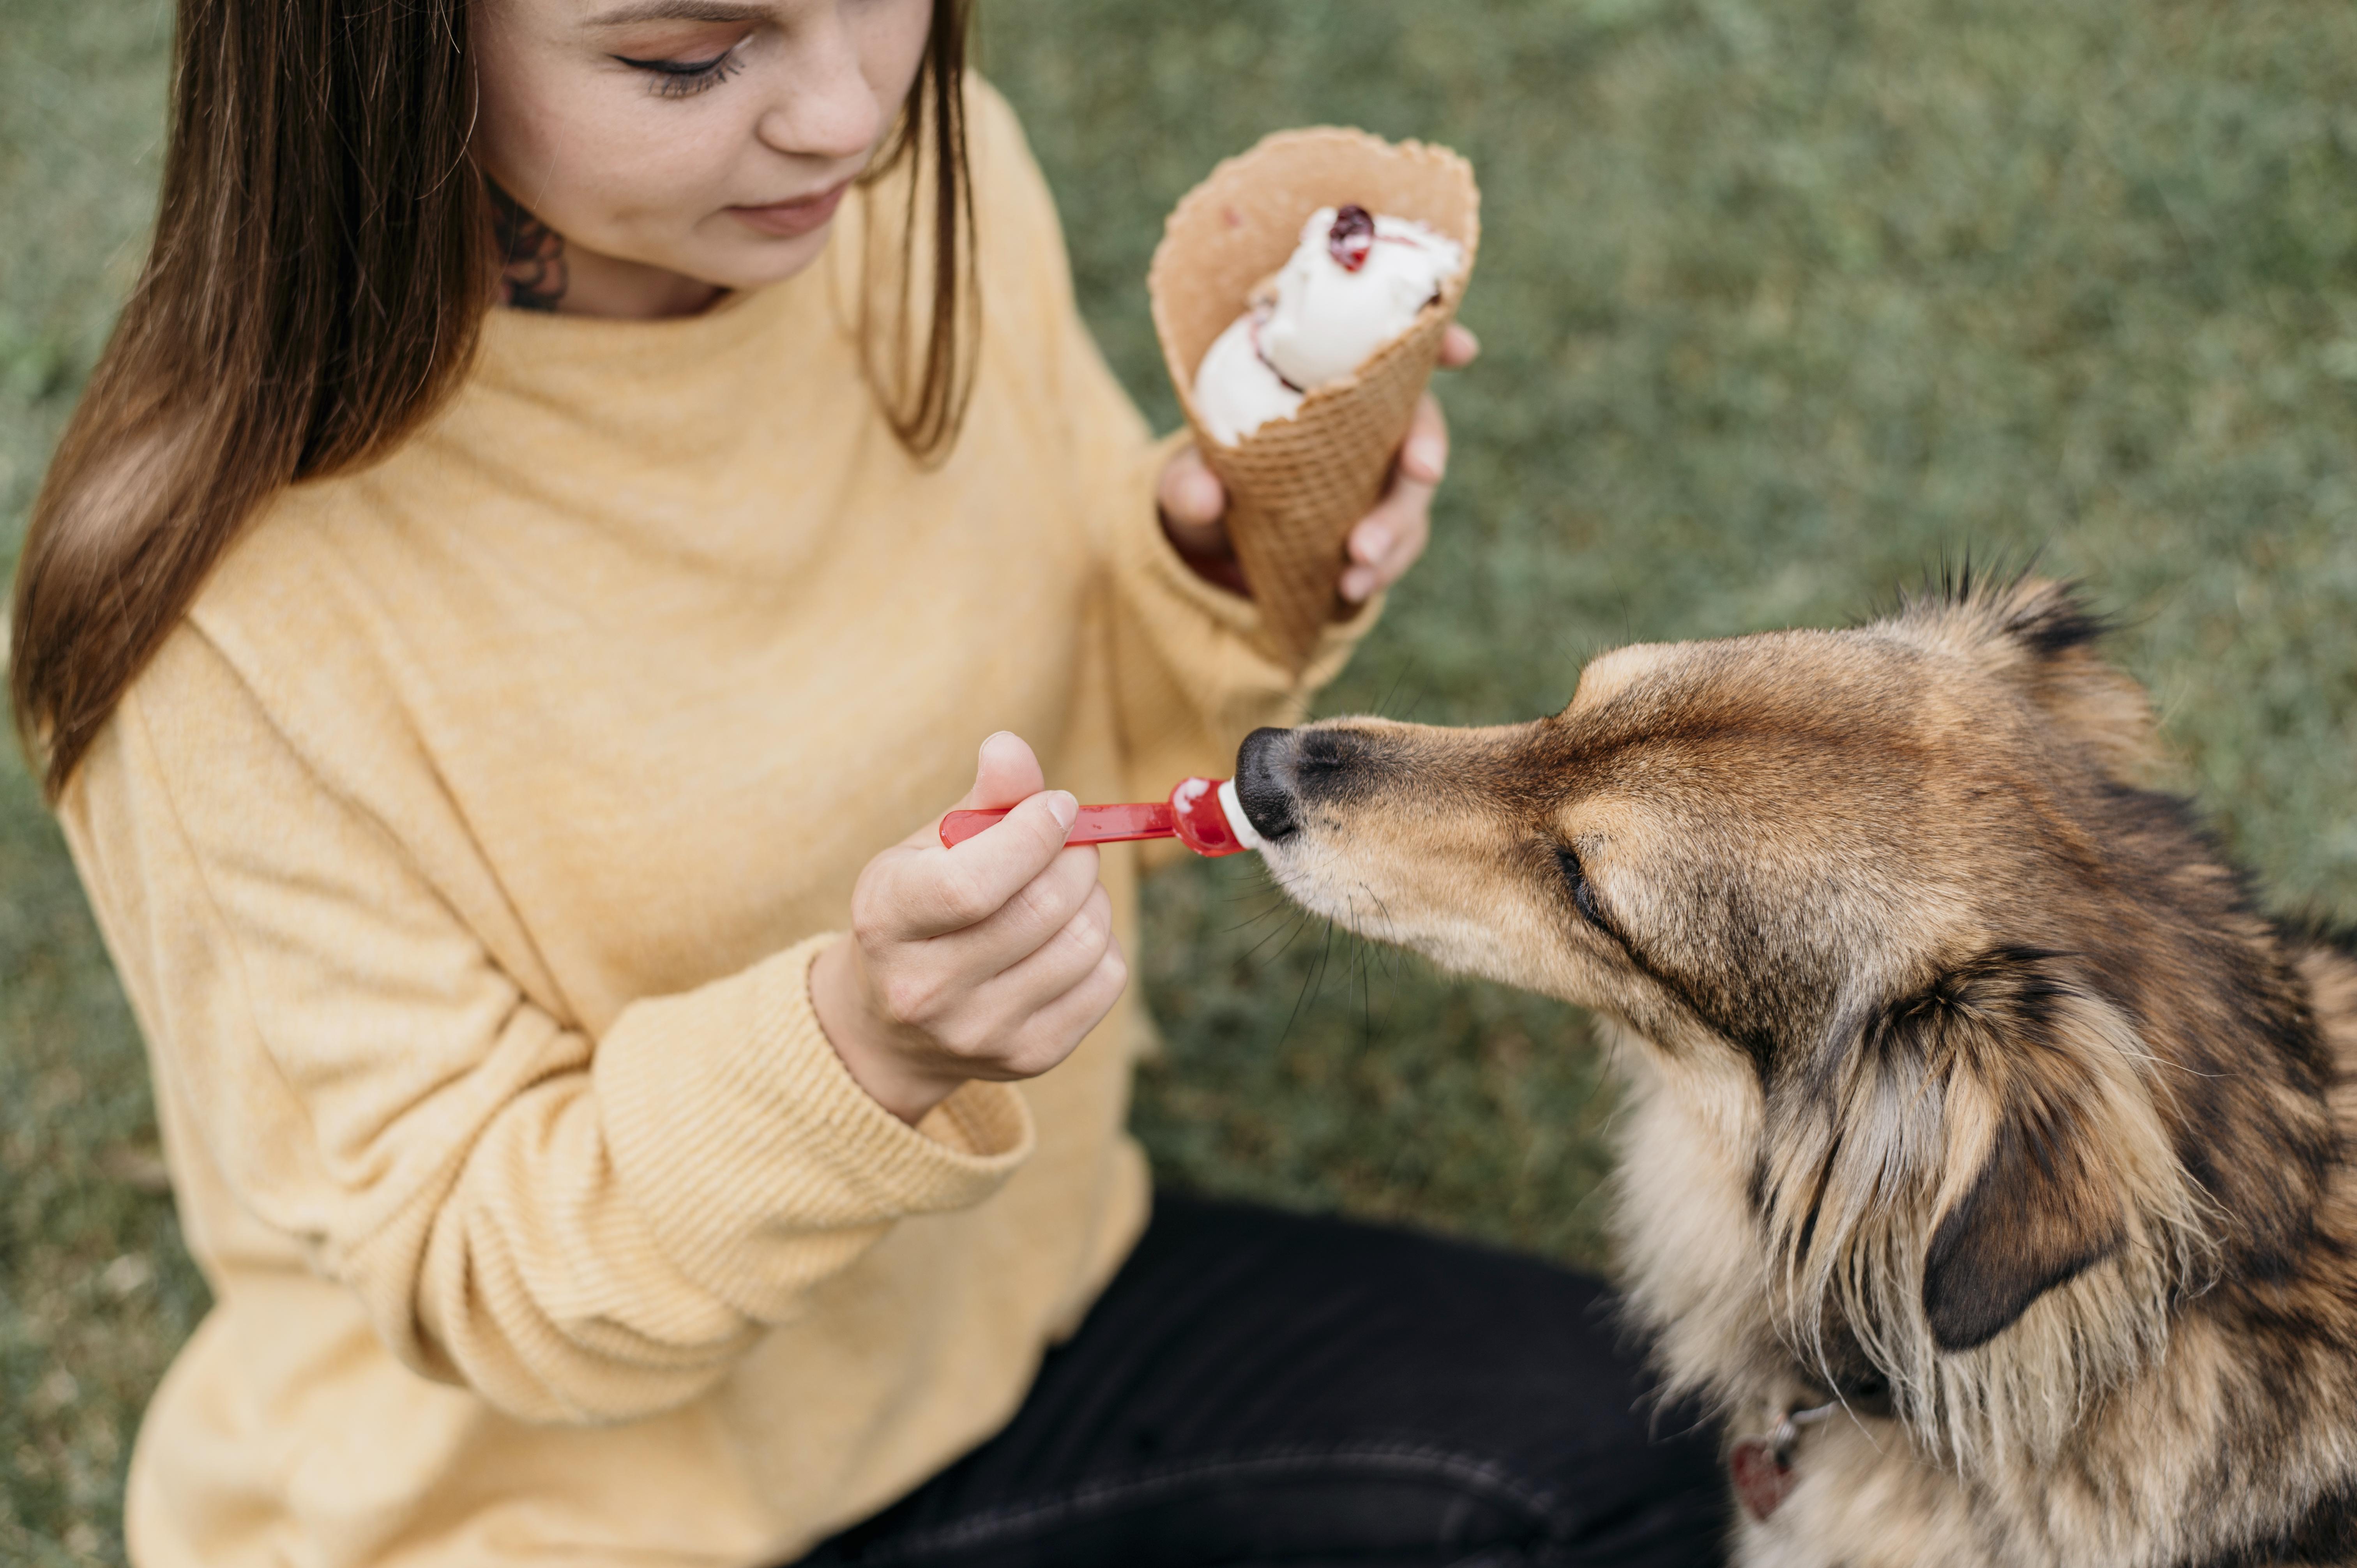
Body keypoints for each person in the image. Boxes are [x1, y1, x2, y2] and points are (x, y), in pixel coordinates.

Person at [8, 0, 1729, 1563]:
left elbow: (1086, 724)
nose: (846, 110)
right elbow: (474, 1271)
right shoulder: (216, 617)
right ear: (384, 48)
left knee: (1670, 1472)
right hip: (557, 1512)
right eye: (687, 57)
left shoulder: (907, 195)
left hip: (1023, 1332)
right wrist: (861, 1052)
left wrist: (1214, 564)